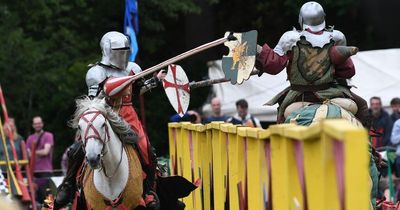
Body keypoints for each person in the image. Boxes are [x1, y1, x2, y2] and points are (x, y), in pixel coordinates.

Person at [55, 31, 165, 210]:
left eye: (124, 51)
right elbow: (93, 101)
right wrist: (109, 91)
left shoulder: (133, 69)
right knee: (77, 150)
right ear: (107, 50)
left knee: (147, 151)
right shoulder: (96, 72)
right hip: (105, 115)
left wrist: (155, 81)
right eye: (118, 51)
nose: (122, 54)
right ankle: (68, 185)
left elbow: (137, 92)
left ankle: (147, 192)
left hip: (130, 118)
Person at [255, 1, 368, 124]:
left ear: (301, 19)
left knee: (282, 119)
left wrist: (258, 50)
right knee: (362, 106)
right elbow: (348, 71)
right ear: (323, 18)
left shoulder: (290, 38)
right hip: (331, 92)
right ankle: (365, 141)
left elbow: (274, 66)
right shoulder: (336, 37)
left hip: (298, 94)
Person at [26, 116, 54, 203]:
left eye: (39, 123)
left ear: (42, 124)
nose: (37, 125)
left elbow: (46, 151)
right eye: (35, 123)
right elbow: (27, 154)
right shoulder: (30, 138)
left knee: (47, 200)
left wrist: (33, 152)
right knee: (34, 200)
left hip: (45, 172)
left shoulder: (48, 136)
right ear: (33, 125)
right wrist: (35, 153)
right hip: (33, 173)